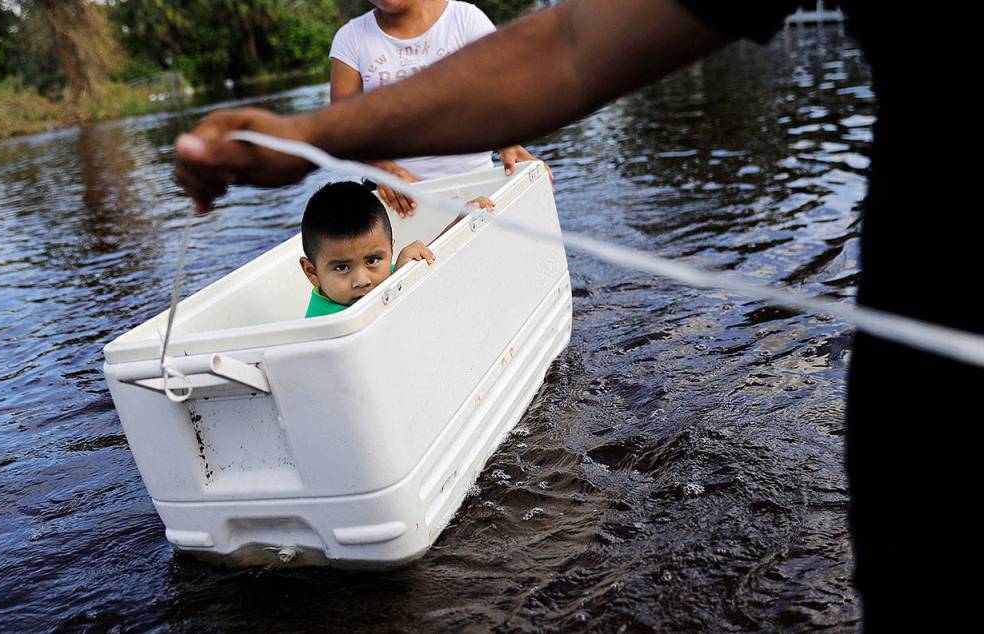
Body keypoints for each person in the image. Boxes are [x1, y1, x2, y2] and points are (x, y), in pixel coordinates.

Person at [174, 0, 983, 628]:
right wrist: (314, 136)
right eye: (339, 269)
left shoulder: (461, 19)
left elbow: (561, 51)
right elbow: (574, 44)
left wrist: (508, 154)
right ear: (314, 271)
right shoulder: (351, 47)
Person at [329, 0, 547, 216]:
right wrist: (385, 170)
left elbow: (500, 97)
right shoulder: (351, 37)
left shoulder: (465, 19)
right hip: (394, 201)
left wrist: (507, 142)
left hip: (475, 184)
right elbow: (341, 132)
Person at [301, 181, 492, 317]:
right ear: (312, 272)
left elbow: (433, 255)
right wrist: (400, 281)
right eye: (342, 267)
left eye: (372, 260)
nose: (362, 281)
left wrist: (460, 221)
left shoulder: (381, 278)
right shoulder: (324, 323)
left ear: (391, 249)